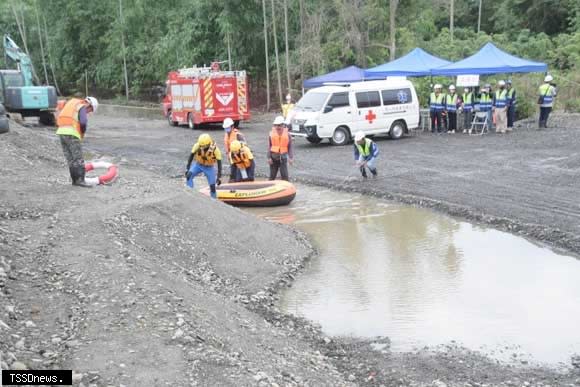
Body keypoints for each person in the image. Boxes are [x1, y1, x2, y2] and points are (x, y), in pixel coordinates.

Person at [55, 96, 99, 187]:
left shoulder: (72, 103)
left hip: (61, 132)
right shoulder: (82, 106)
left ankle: (74, 180)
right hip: (72, 133)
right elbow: (83, 122)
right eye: (90, 110)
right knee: (78, 157)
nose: (88, 112)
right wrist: (82, 133)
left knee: (70, 158)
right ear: (89, 105)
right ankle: (80, 180)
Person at [185, 133, 222, 199]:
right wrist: (187, 169)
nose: (201, 147)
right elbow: (191, 156)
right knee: (189, 176)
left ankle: (214, 200)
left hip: (209, 168)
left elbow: (219, 164)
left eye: (203, 146)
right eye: (201, 146)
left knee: (212, 186)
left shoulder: (216, 150)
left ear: (208, 144)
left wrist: (219, 177)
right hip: (198, 165)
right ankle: (189, 194)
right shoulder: (197, 145)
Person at [268, 115, 294, 181]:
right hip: (273, 157)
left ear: (283, 125)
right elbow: (269, 146)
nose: (277, 127)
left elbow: (290, 147)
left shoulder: (288, 135)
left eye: (279, 125)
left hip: (283, 158)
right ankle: (269, 188)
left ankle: (287, 189)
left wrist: (291, 158)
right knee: (272, 176)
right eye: (276, 125)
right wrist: (269, 157)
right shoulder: (271, 134)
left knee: (285, 176)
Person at [222, 117, 246, 181]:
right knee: (233, 171)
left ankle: (245, 181)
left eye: (228, 127)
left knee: (242, 172)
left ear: (232, 127)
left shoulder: (238, 135)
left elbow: (244, 146)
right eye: (225, 128)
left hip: (240, 158)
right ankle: (233, 180)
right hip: (231, 157)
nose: (226, 129)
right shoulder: (226, 135)